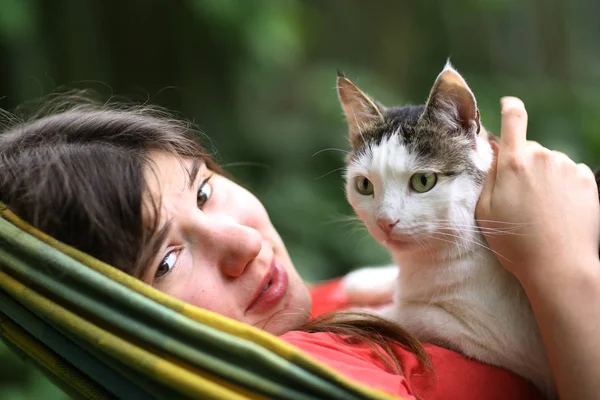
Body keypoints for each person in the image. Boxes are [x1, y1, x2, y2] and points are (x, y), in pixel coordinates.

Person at [0, 93, 598, 400]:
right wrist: (563, 268)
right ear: (111, 321)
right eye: (168, 259)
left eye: (204, 191)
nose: (243, 242)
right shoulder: (313, 379)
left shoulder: (300, 308)